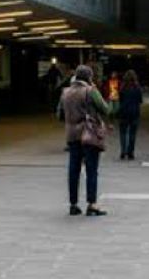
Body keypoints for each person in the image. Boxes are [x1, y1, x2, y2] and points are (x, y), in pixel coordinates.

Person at [61, 65, 109, 216]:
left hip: (72, 135)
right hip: (89, 135)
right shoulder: (90, 91)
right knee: (91, 170)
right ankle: (92, 204)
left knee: (73, 170)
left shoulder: (66, 92)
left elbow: (59, 114)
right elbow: (105, 109)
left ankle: (73, 204)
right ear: (89, 77)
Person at [117, 70, 142, 160]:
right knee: (132, 133)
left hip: (124, 111)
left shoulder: (122, 88)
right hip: (134, 112)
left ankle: (123, 151)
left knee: (123, 132)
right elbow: (140, 100)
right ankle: (130, 152)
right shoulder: (137, 88)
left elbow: (120, 99)